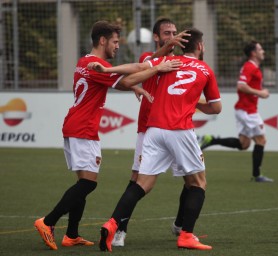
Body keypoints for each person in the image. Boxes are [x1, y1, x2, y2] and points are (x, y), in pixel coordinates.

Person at [33, 20, 182, 251]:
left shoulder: (85, 61)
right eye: (114, 42)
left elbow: (127, 77)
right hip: (84, 129)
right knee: (87, 184)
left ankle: (71, 234)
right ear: (102, 41)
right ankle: (48, 222)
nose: (117, 46)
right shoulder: (97, 65)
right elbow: (129, 78)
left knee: (82, 182)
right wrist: (155, 70)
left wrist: (135, 84)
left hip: (75, 125)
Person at [96, 28, 222, 252]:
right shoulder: (205, 69)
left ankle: (113, 223)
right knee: (198, 183)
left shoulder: (165, 61)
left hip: (153, 130)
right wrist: (194, 102)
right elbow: (216, 108)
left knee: (142, 184)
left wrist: (108, 69)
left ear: (180, 46)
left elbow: (136, 68)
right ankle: (186, 235)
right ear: (200, 47)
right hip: (179, 130)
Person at [110, 17, 191, 247]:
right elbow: (135, 72)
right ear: (156, 37)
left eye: (175, 32)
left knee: (192, 180)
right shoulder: (149, 58)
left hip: (176, 129)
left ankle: (180, 225)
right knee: (137, 180)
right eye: (167, 33)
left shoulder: (181, 62)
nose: (173, 36)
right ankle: (119, 230)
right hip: (149, 129)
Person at [199, 40, 273, 182]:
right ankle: (257, 175)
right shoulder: (249, 67)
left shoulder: (253, 68)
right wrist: (260, 93)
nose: (263, 51)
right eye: (260, 49)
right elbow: (241, 86)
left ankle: (213, 140)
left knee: (244, 144)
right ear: (253, 53)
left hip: (245, 110)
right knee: (261, 140)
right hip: (247, 111)